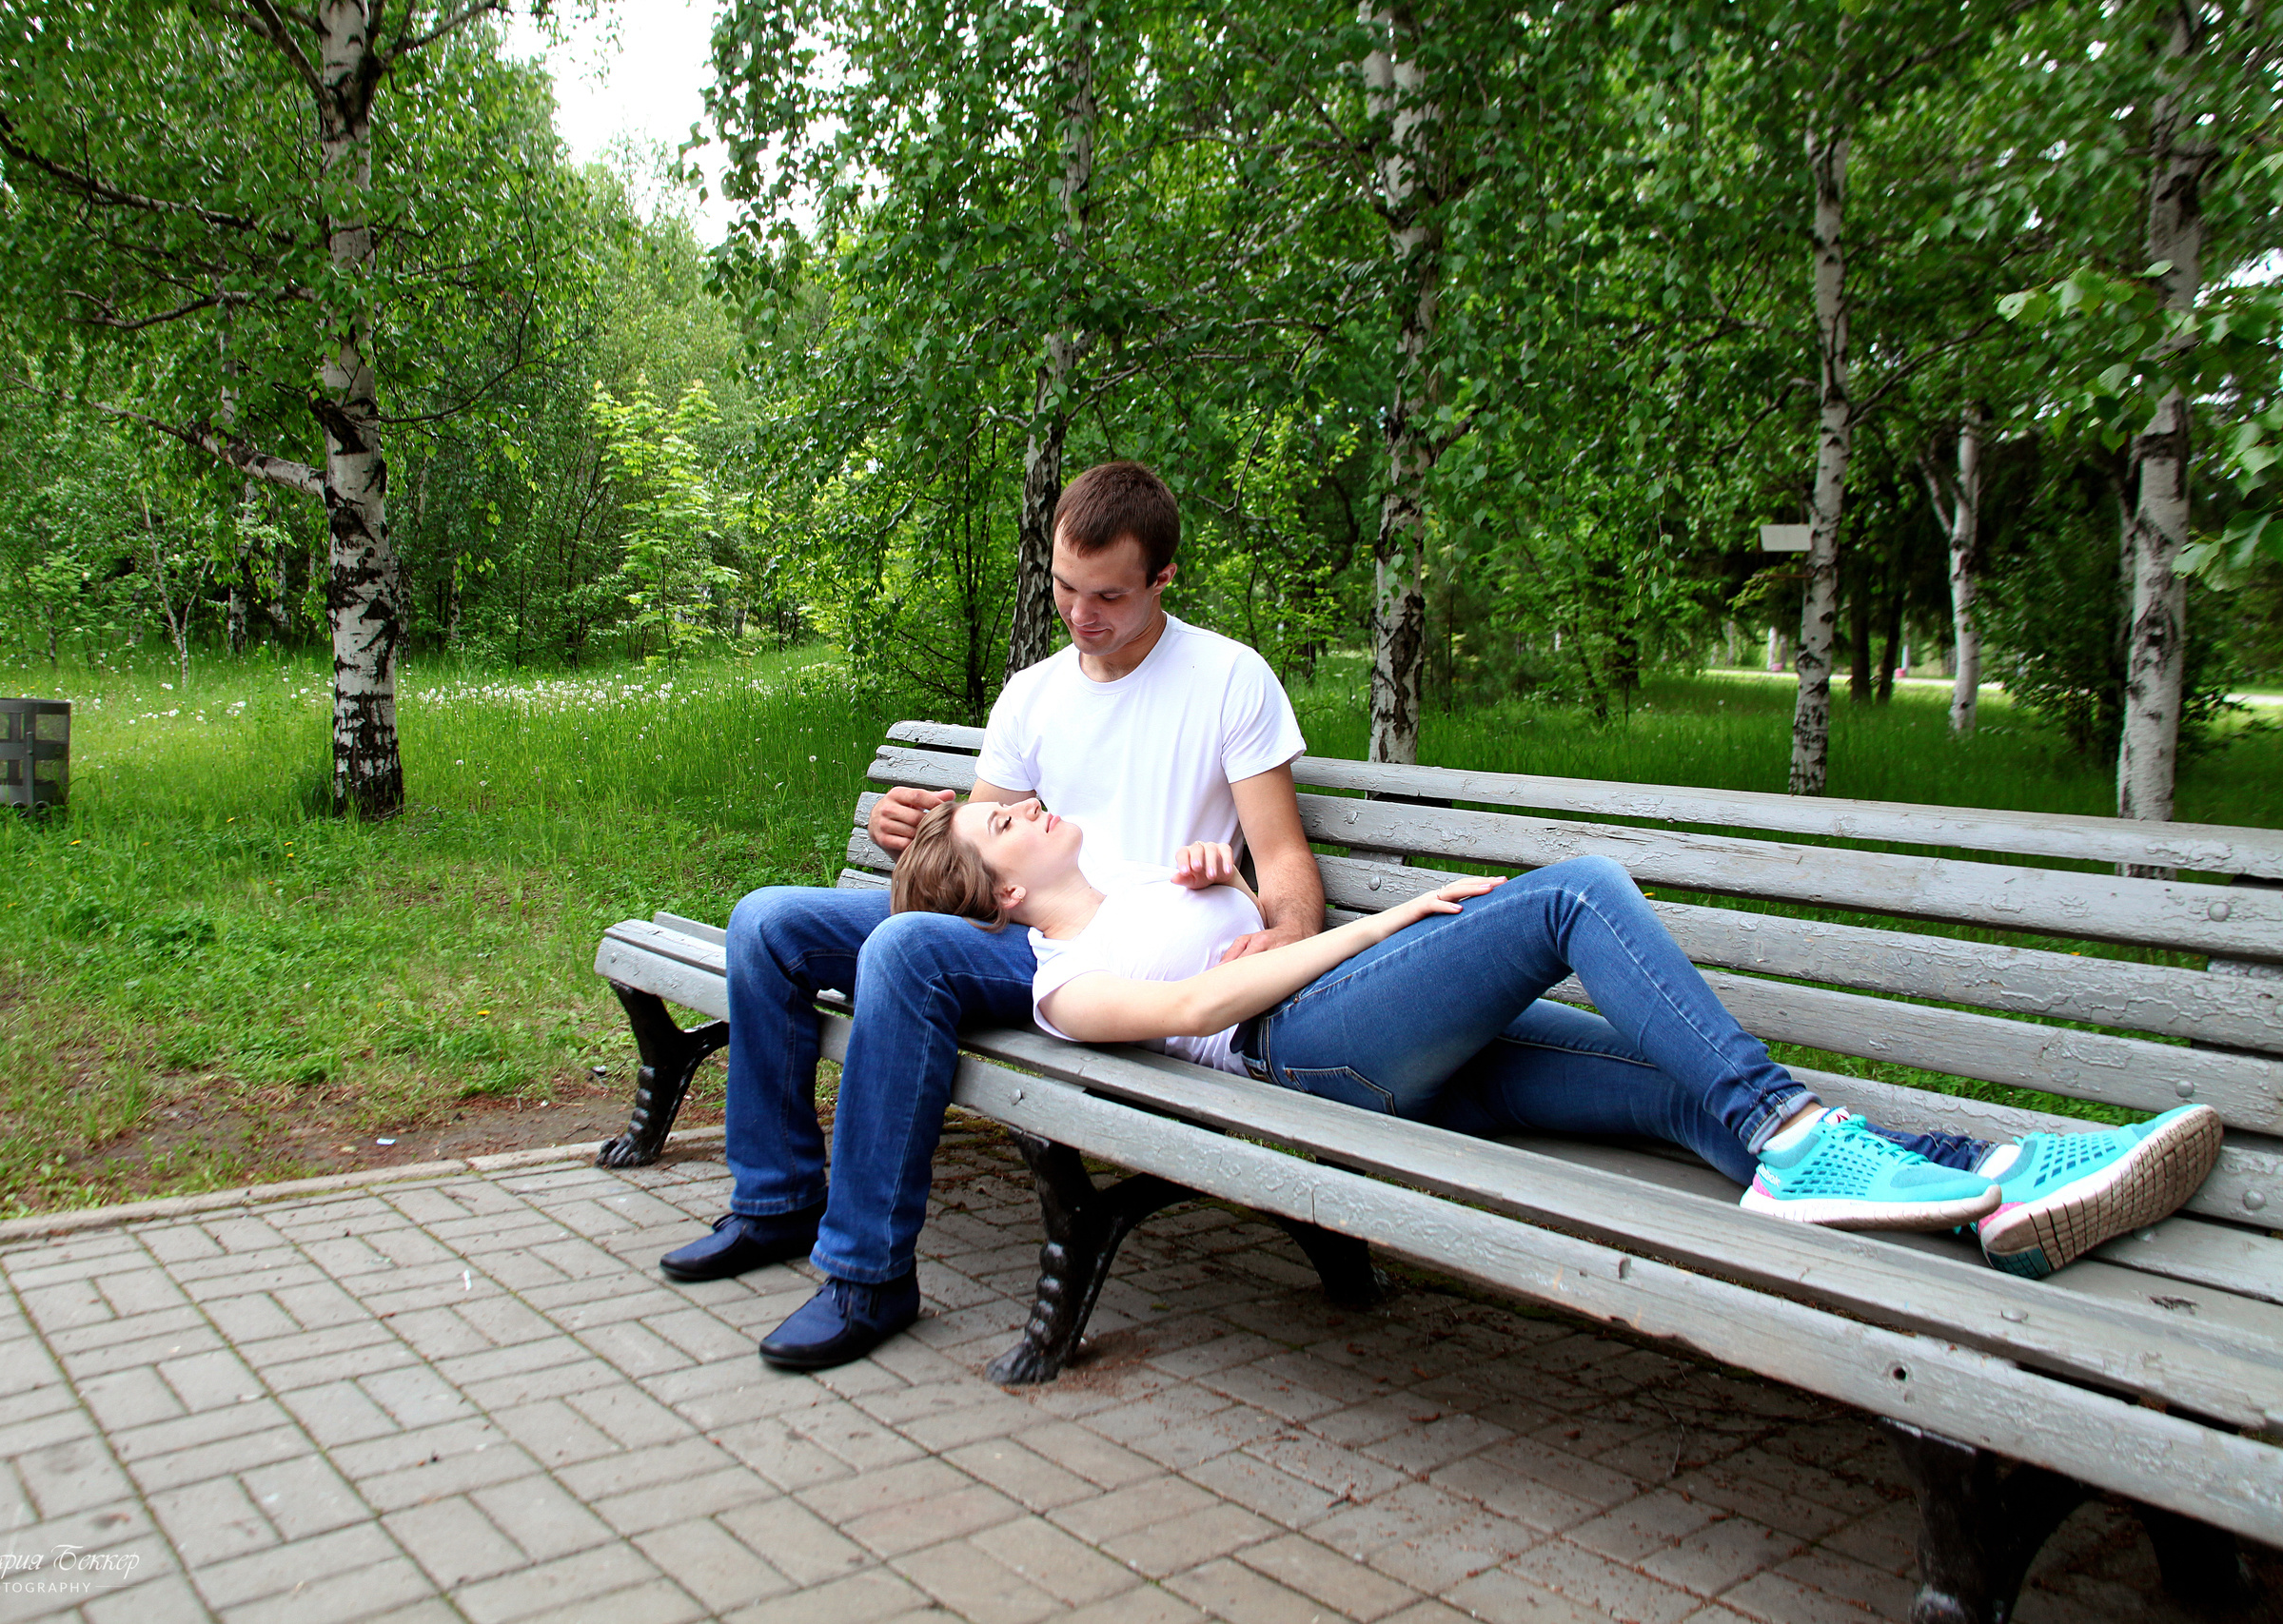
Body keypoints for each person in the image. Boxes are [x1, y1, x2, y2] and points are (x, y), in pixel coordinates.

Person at [891, 798, 2224, 1276]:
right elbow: (1198, 1010)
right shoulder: (1066, 983)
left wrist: (1223, 883)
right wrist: (1380, 923)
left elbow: (1232, 942)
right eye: (1007, 823)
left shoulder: (1132, 884)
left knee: (1674, 1094)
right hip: (1310, 1059)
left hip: (1373, 1046)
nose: (1031, 807)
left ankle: (1995, 1181)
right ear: (1000, 896)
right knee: (1573, 894)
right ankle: (1794, 1136)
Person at [661, 461, 1328, 1371]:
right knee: (767, 923)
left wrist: (1287, 940)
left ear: (1163, 578)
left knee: (907, 953)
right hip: (1025, 923)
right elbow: (975, 860)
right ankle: (775, 1202)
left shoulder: (1227, 679)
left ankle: (866, 1276)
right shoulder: (1035, 692)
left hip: (1114, 951)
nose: (1081, 614)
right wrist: (912, 834)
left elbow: (1281, 854)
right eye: (1064, 586)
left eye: (1109, 595)